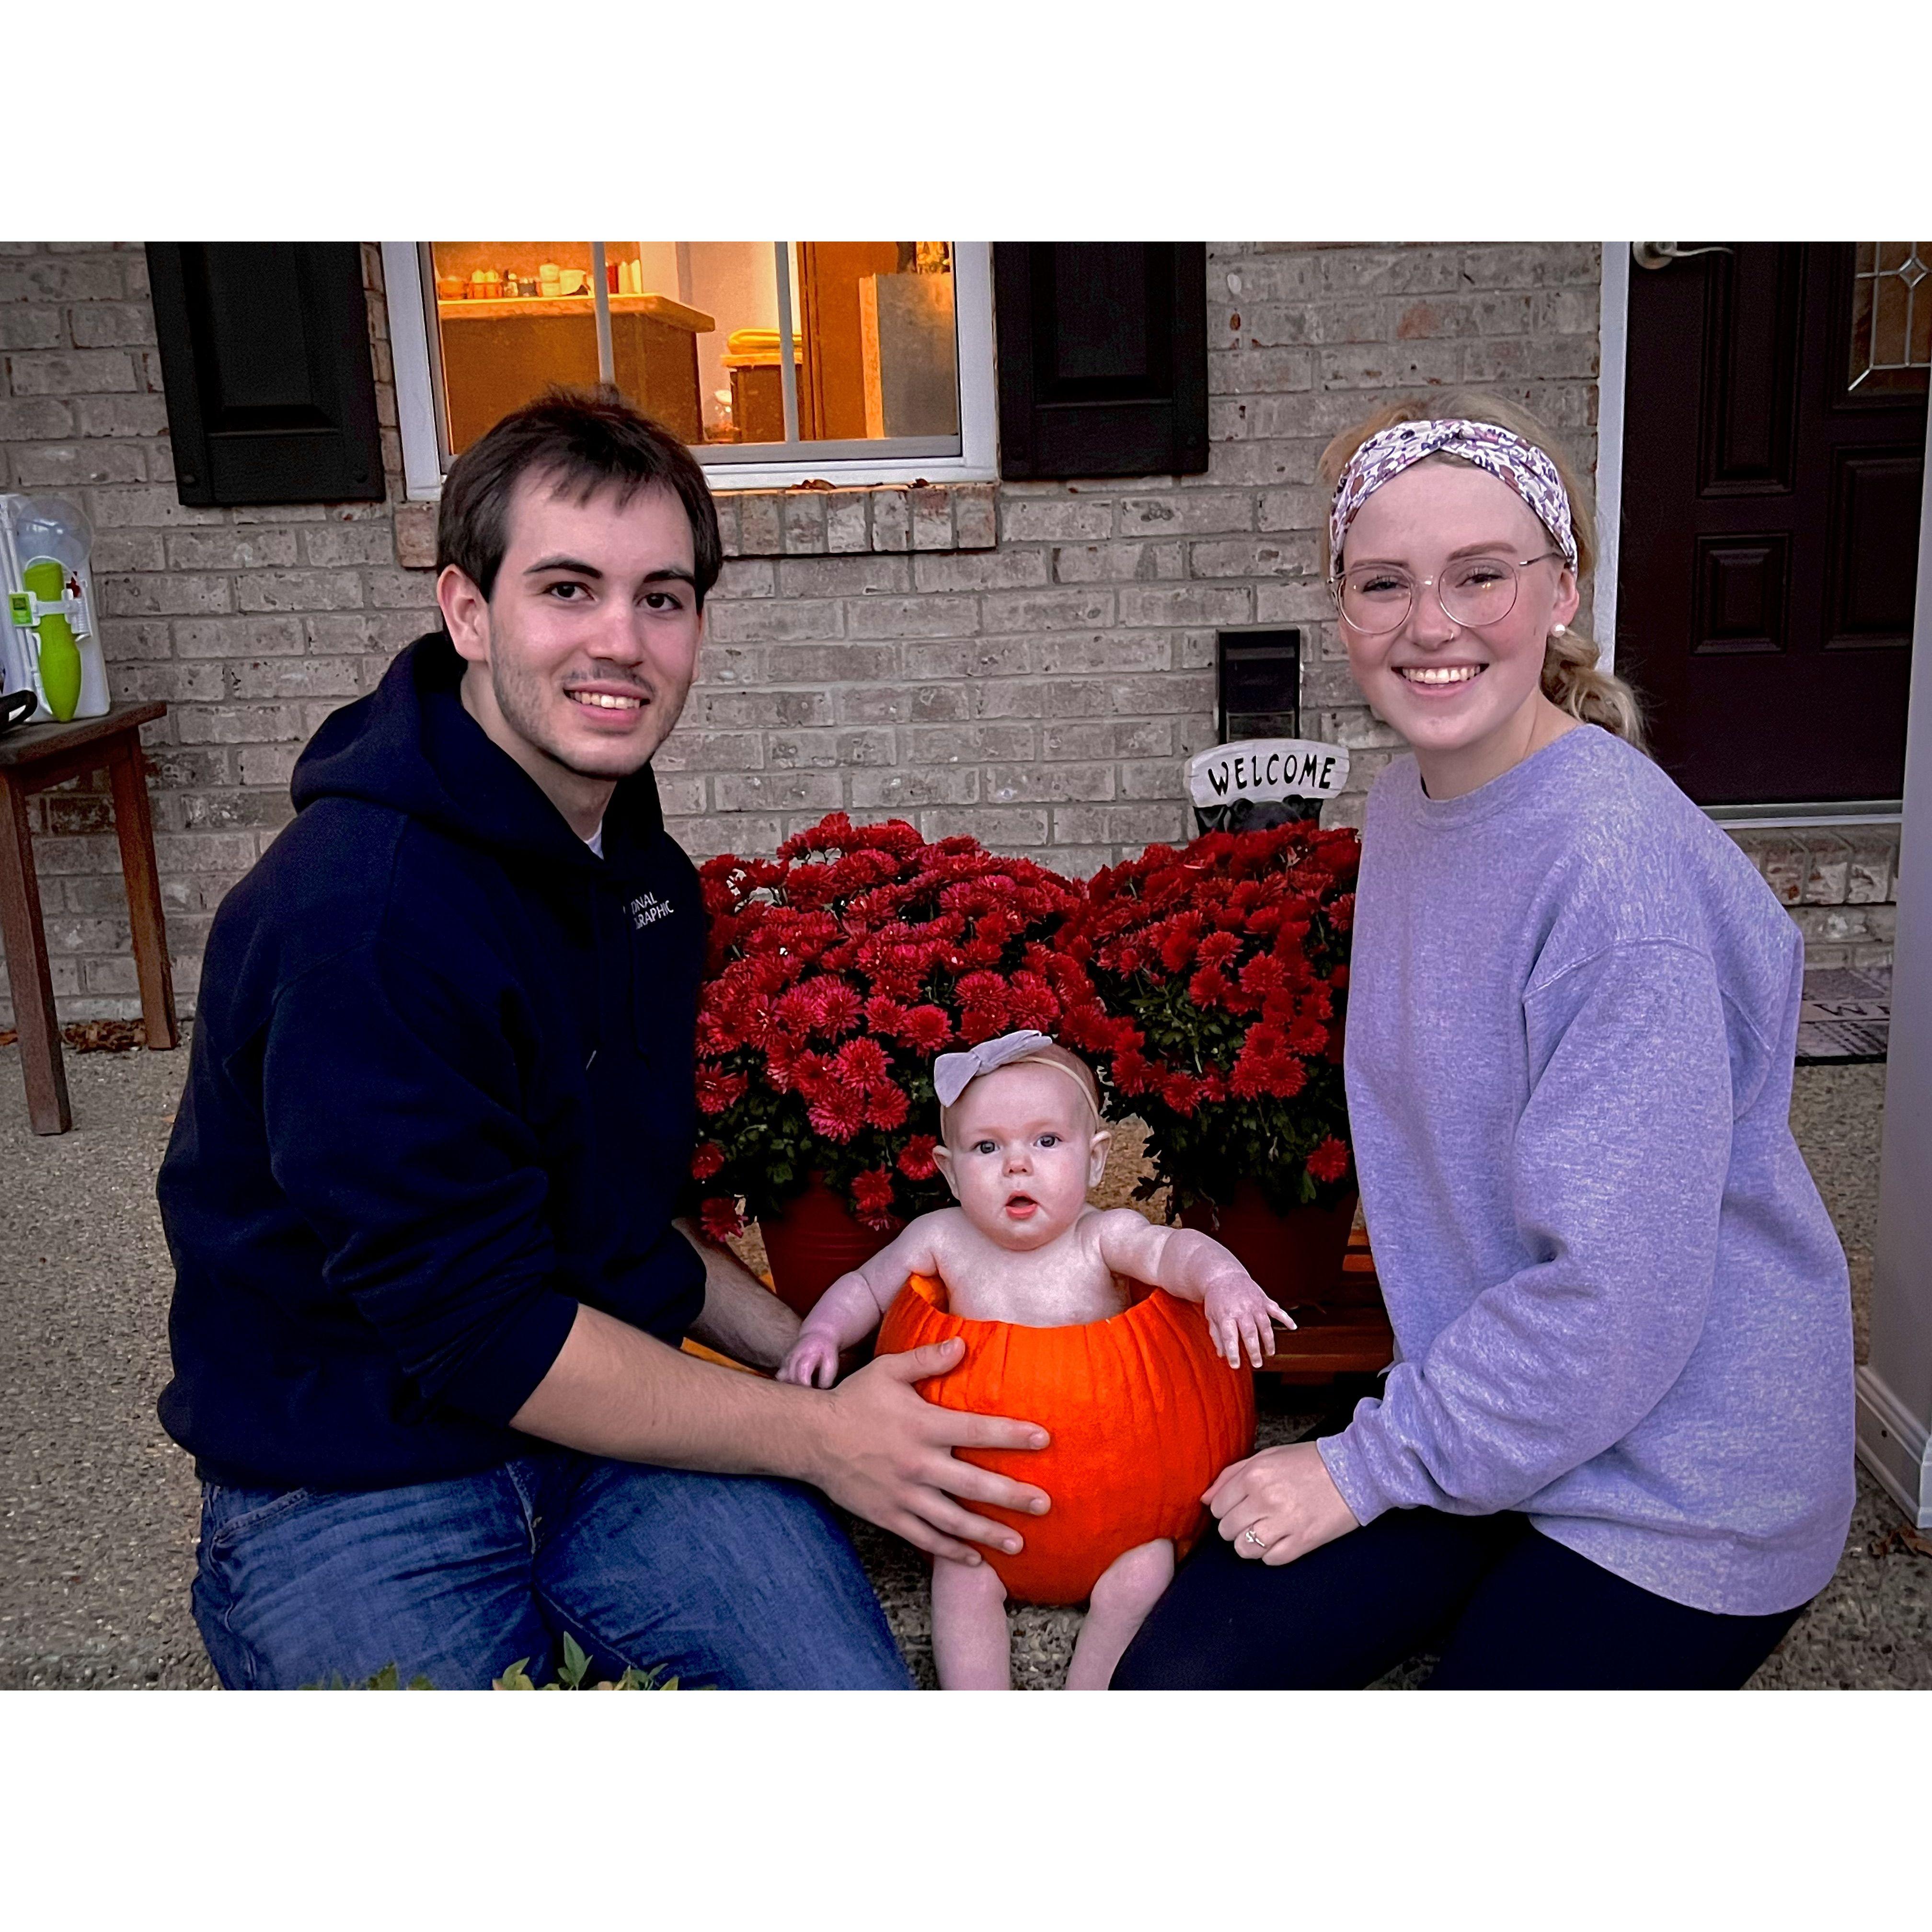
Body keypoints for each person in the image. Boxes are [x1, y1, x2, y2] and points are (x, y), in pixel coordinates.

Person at [156, 389, 1053, 1691]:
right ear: (468, 609)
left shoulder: (637, 872)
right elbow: (485, 1330)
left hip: (612, 1428)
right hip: (349, 1479)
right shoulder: (364, 916)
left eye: (663, 598)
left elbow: (610, 1222)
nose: (620, 642)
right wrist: (813, 1439)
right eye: (567, 590)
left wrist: (821, 1357)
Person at [1112, 393, 1856, 1690]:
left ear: (1562, 590)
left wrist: (1361, 1467)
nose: (1432, 625)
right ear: (1341, 606)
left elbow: (1618, 1299)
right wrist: (1411, 1444)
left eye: (1482, 575)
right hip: (1504, 1418)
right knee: (1182, 1682)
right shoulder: (1411, 803)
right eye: (1384, 582)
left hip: (1681, 1475)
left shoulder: (1612, 869)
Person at [777, 1030, 1288, 1689]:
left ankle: (1090, 1695)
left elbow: (1173, 1254)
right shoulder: (942, 1240)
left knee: (1148, 1568)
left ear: (1096, 1160)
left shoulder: (1102, 1240)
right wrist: (821, 1333)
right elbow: (867, 1287)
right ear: (949, 1170)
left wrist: (1222, 1283)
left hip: (1121, 1518)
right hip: (980, 1524)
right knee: (958, 1571)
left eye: (1046, 1142)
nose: (1017, 1165)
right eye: (987, 1147)